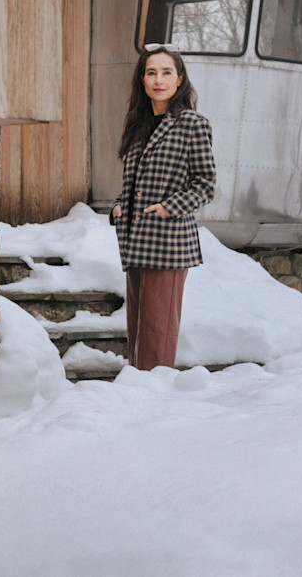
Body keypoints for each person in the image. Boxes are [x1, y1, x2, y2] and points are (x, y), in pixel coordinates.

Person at [109, 43, 216, 371]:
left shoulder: (192, 125)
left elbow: (206, 185)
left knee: (157, 332)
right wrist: (117, 206)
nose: (159, 79)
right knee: (138, 329)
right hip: (135, 241)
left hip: (168, 243)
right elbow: (133, 186)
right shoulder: (138, 127)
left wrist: (171, 207)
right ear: (142, 80)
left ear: (180, 80)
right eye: (151, 72)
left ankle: (155, 398)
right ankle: (138, 394)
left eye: (167, 72)